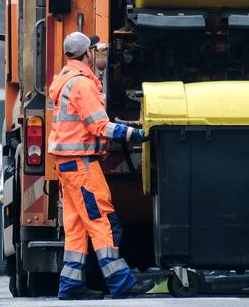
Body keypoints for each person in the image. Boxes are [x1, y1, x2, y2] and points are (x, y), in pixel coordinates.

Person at [49, 32, 155, 300]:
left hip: (68, 164)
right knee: (102, 221)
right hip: (82, 164)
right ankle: (120, 281)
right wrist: (135, 134)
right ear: (87, 53)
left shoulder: (65, 81)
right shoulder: (82, 84)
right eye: (95, 49)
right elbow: (98, 125)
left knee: (76, 227)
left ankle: (70, 285)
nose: (98, 54)